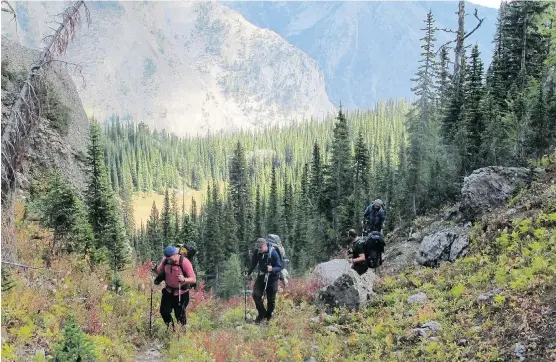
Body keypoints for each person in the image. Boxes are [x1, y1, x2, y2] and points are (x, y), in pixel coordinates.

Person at [155, 245, 196, 331]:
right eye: (167, 258)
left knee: (180, 317)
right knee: (164, 312)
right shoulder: (165, 260)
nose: (168, 259)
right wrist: (157, 270)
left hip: (182, 293)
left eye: (170, 258)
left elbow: (193, 279)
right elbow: (159, 271)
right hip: (168, 291)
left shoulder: (185, 262)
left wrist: (184, 279)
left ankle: (182, 334)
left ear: (176, 254)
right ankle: (171, 329)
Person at [246, 238, 283, 324]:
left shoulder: (273, 253)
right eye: (258, 248)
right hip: (262, 275)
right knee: (255, 294)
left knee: (271, 299)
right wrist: (248, 273)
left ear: (265, 245)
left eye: (261, 248)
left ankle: (269, 316)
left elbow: (279, 266)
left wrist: (272, 269)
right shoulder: (257, 252)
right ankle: (262, 313)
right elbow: (253, 264)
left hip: (272, 277)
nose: (259, 249)